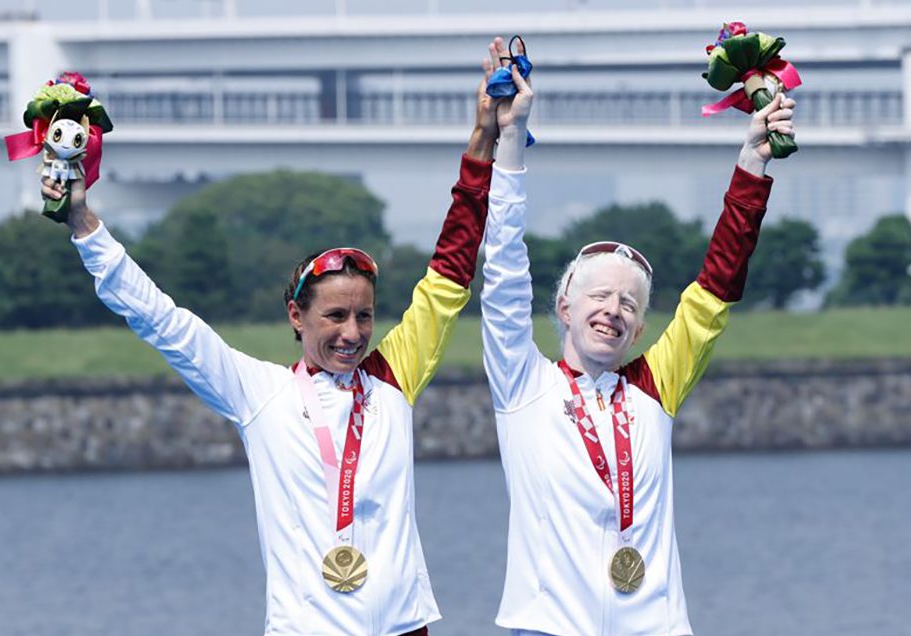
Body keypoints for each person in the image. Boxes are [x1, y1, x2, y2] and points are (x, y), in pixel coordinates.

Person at [42, 40, 515, 636]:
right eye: (334, 318)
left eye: (364, 317)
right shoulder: (257, 393)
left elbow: (449, 270)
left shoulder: (396, 373)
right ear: (297, 316)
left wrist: (483, 141)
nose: (352, 334)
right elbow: (158, 318)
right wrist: (84, 224)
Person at [480, 38, 797, 635]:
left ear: (641, 328)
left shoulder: (656, 386)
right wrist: (511, 139)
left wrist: (752, 164)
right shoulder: (523, 383)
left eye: (629, 303)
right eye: (599, 296)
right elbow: (501, 269)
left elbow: (714, 292)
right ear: (565, 307)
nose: (613, 310)